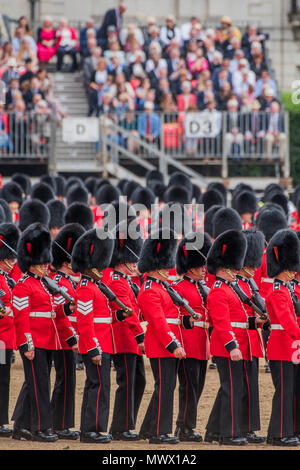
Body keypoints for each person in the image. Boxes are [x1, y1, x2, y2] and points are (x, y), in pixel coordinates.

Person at [11, 223, 77, 442]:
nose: (47, 264)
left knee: (35, 382)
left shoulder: (43, 284)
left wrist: (67, 309)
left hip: (48, 340)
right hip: (34, 341)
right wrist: (26, 343)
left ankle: (21, 425)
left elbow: (54, 312)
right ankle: (41, 428)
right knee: (40, 384)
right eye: (42, 261)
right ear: (33, 262)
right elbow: (21, 318)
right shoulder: (23, 285)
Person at [72, 228, 124, 443]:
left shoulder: (95, 286)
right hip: (96, 345)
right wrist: (93, 348)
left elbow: (103, 318)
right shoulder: (86, 287)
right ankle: (91, 430)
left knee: (98, 386)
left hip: (103, 342)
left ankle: (91, 429)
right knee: (98, 387)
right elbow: (85, 322)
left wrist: (119, 315)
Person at [137, 228, 187, 444]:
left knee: (166, 387)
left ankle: (149, 428)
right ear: (157, 265)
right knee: (165, 387)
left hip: (166, 343)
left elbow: (171, 316)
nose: (169, 269)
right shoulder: (150, 289)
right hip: (161, 345)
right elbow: (158, 323)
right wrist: (173, 345)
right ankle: (159, 433)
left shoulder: (161, 286)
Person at [205, 229, 250, 446]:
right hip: (226, 347)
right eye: (232, 267)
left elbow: (237, 319)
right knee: (232, 388)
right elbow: (222, 324)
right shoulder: (218, 291)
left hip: (235, 344)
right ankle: (228, 434)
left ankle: (213, 430)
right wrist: (232, 346)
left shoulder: (228, 288)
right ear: (225, 267)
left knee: (229, 387)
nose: (236, 270)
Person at [108, 219, 146, 441]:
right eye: (132, 260)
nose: (135, 263)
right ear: (124, 260)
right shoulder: (117, 282)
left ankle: (125, 424)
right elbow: (127, 312)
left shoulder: (127, 281)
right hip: (124, 339)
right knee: (128, 382)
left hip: (131, 340)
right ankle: (119, 427)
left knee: (138, 381)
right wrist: (140, 335)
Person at [172, 232, 212, 442]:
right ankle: (184, 427)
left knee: (198, 387)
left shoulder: (202, 287)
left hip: (202, 343)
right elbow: (176, 316)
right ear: (190, 266)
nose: (204, 270)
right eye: (200, 265)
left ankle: (186, 425)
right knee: (189, 387)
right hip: (188, 343)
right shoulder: (179, 287)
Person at [50, 223, 85, 440]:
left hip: (68, 337)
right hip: (62, 338)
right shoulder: (58, 283)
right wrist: (72, 338)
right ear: (66, 261)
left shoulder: (67, 281)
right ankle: (59, 424)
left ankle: (61, 423)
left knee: (68, 380)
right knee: (64, 380)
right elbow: (60, 314)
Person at [265, 229, 300, 446]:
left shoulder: (286, 289)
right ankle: (278, 434)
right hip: (281, 347)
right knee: (284, 393)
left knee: (291, 392)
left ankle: (287, 430)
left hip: (290, 347)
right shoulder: (278, 292)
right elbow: (287, 322)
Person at [235, 230, 266, 442]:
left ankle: (248, 428)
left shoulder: (249, 283)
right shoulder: (235, 284)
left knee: (250, 386)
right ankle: (233, 428)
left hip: (252, 339)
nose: (254, 268)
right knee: (239, 387)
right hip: (240, 340)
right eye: (251, 263)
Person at [0, 223, 19, 437]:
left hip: (6, 339)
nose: (13, 262)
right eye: (10, 258)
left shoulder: (6, 278)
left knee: (3, 381)